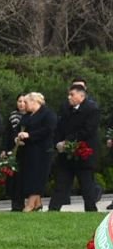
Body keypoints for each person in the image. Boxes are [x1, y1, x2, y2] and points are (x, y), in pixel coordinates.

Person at [50, 82, 102, 211]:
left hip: (83, 152)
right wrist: (57, 143)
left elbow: (88, 130)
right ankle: (53, 209)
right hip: (66, 153)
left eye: (72, 94)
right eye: (69, 94)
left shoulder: (92, 109)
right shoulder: (66, 109)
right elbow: (59, 127)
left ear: (81, 96)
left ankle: (90, 209)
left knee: (86, 184)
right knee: (61, 182)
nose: (69, 97)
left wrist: (69, 141)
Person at [14, 91, 55, 212]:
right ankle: (37, 204)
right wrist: (18, 137)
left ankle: (30, 203)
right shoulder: (27, 115)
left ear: (34, 102)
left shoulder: (48, 114)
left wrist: (30, 135)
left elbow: (48, 130)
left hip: (42, 151)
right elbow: (20, 128)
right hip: (28, 151)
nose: (24, 105)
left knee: (37, 177)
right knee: (29, 176)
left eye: (26, 102)